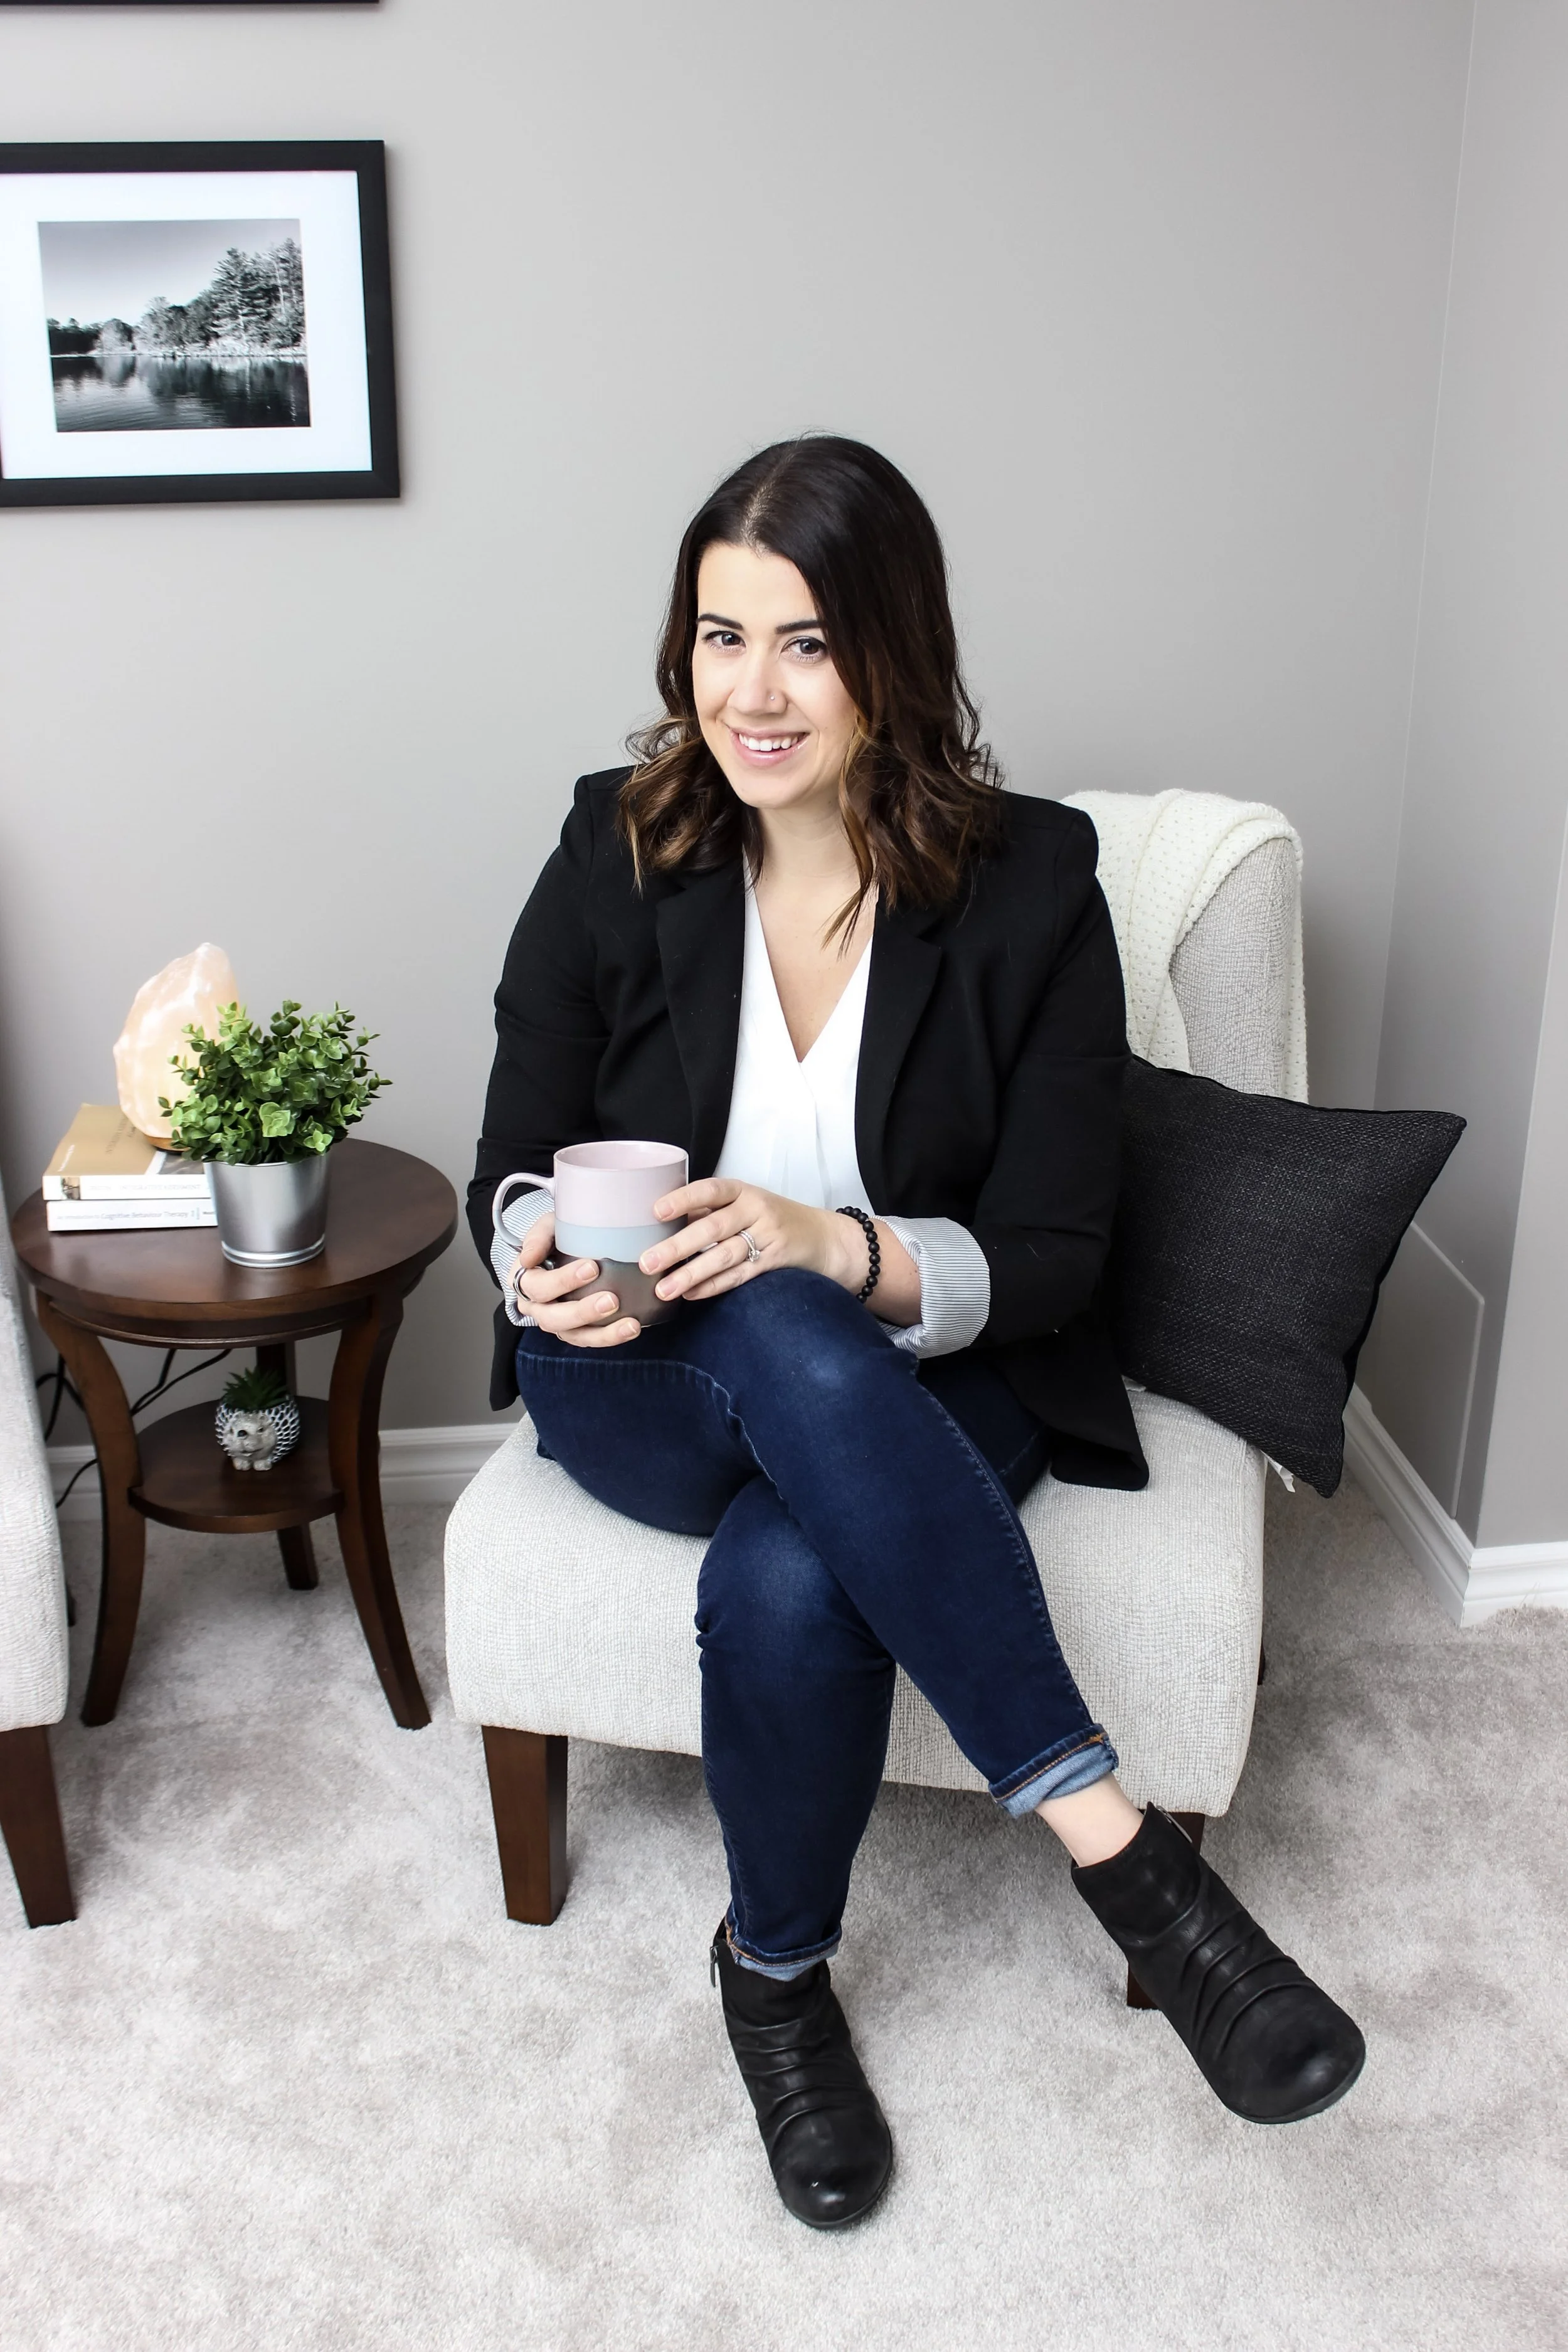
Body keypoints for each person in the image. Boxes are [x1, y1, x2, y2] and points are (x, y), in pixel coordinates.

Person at [469, 436, 1364, 2229]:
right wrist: (528, 1253)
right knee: (768, 1325)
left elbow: (1052, 1254)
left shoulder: (1032, 884)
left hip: (932, 1374)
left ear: (896, 652)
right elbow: (516, 1152)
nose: (753, 691)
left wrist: (834, 1244)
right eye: (720, 638)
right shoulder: (615, 837)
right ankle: (1121, 1857)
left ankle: (774, 1979)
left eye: (805, 642)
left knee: (794, 1556)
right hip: (638, 1374)